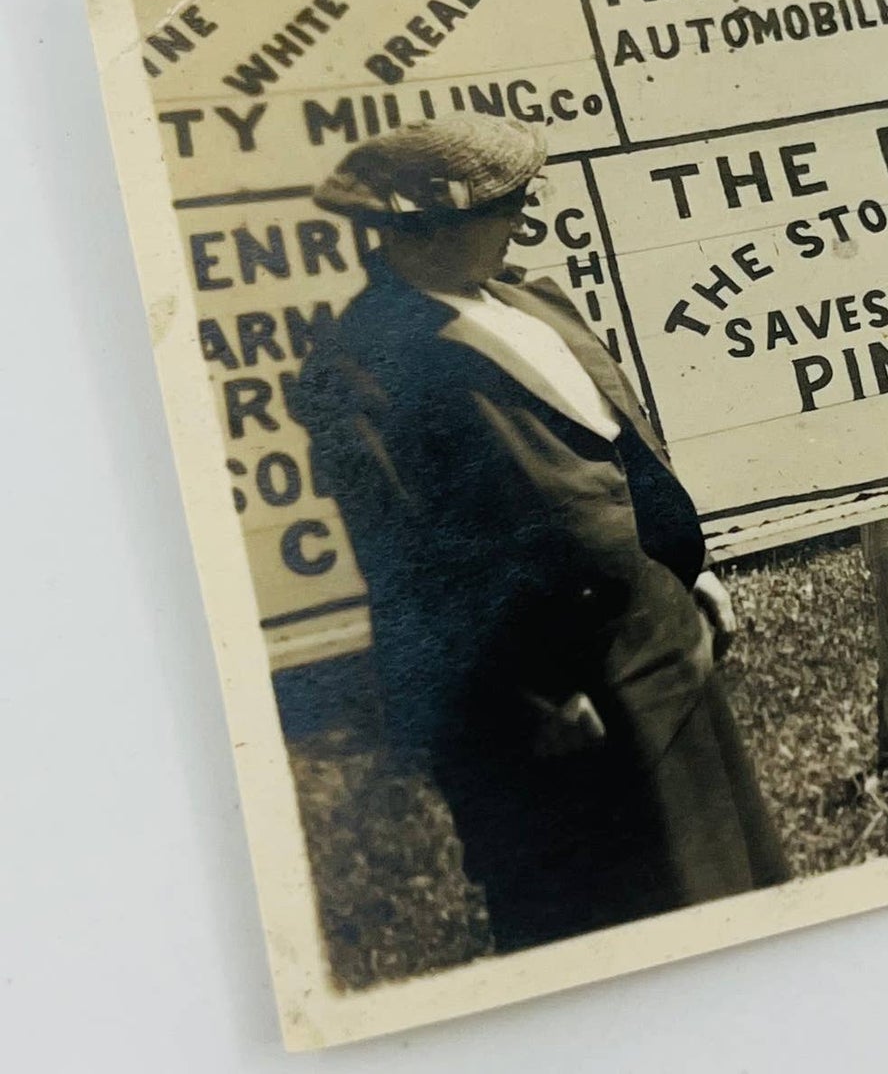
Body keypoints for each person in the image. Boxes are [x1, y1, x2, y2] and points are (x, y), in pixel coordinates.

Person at [291, 118, 789, 954]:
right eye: (508, 205)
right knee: (623, 920)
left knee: (727, 882)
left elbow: (617, 443)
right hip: (558, 691)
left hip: (657, 637)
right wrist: (524, 700)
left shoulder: (529, 301)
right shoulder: (361, 366)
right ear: (427, 225)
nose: (524, 221)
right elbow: (406, 560)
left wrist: (685, 565)